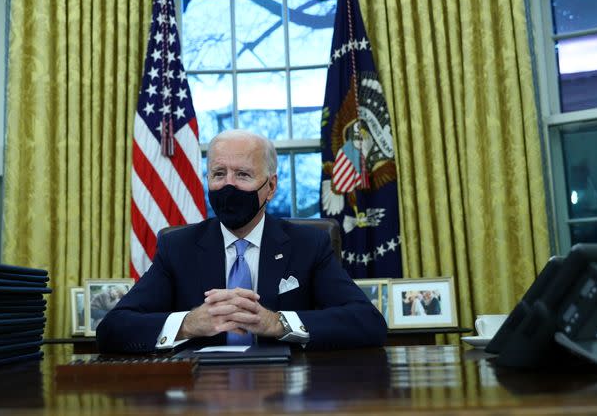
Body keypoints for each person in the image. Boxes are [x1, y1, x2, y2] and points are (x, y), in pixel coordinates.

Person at [96, 129, 387, 353]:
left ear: (270, 186)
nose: (228, 185)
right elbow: (113, 329)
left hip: (285, 392)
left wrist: (277, 323)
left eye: (243, 175)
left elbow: (367, 323)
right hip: (202, 394)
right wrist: (188, 324)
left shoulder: (308, 244)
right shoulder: (179, 247)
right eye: (219, 174)